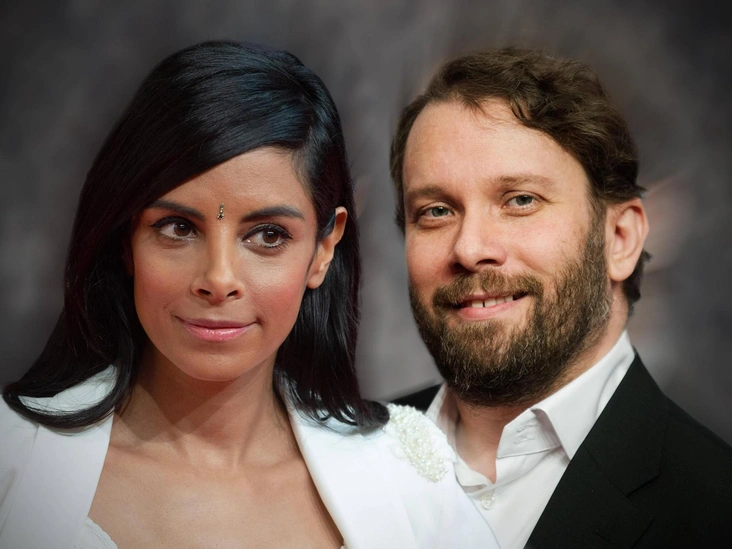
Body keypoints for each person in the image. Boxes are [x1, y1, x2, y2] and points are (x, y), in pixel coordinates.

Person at [0, 41, 497, 549]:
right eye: (178, 227)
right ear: (126, 240)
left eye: (268, 235)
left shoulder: (410, 478)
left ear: (323, 249)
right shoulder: (11, 462)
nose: (219, 279)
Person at [390, 47, 732, 548]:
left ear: (620, 239)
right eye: (436, 211)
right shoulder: (330, 462)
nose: (469, 249)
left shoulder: (717, 512)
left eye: (520, 200)